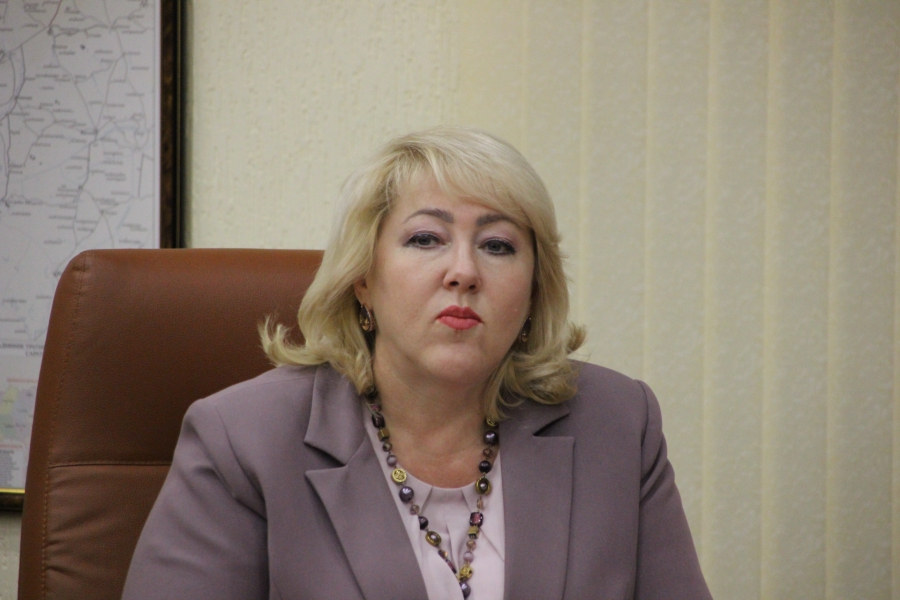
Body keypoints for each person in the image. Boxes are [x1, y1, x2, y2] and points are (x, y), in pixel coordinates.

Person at [122, 128, 712, 599]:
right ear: (362, 277)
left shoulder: (617, 422)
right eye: (426, 239)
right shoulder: (242, 437)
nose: (464, 272)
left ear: (534, 290)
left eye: (498, 245)